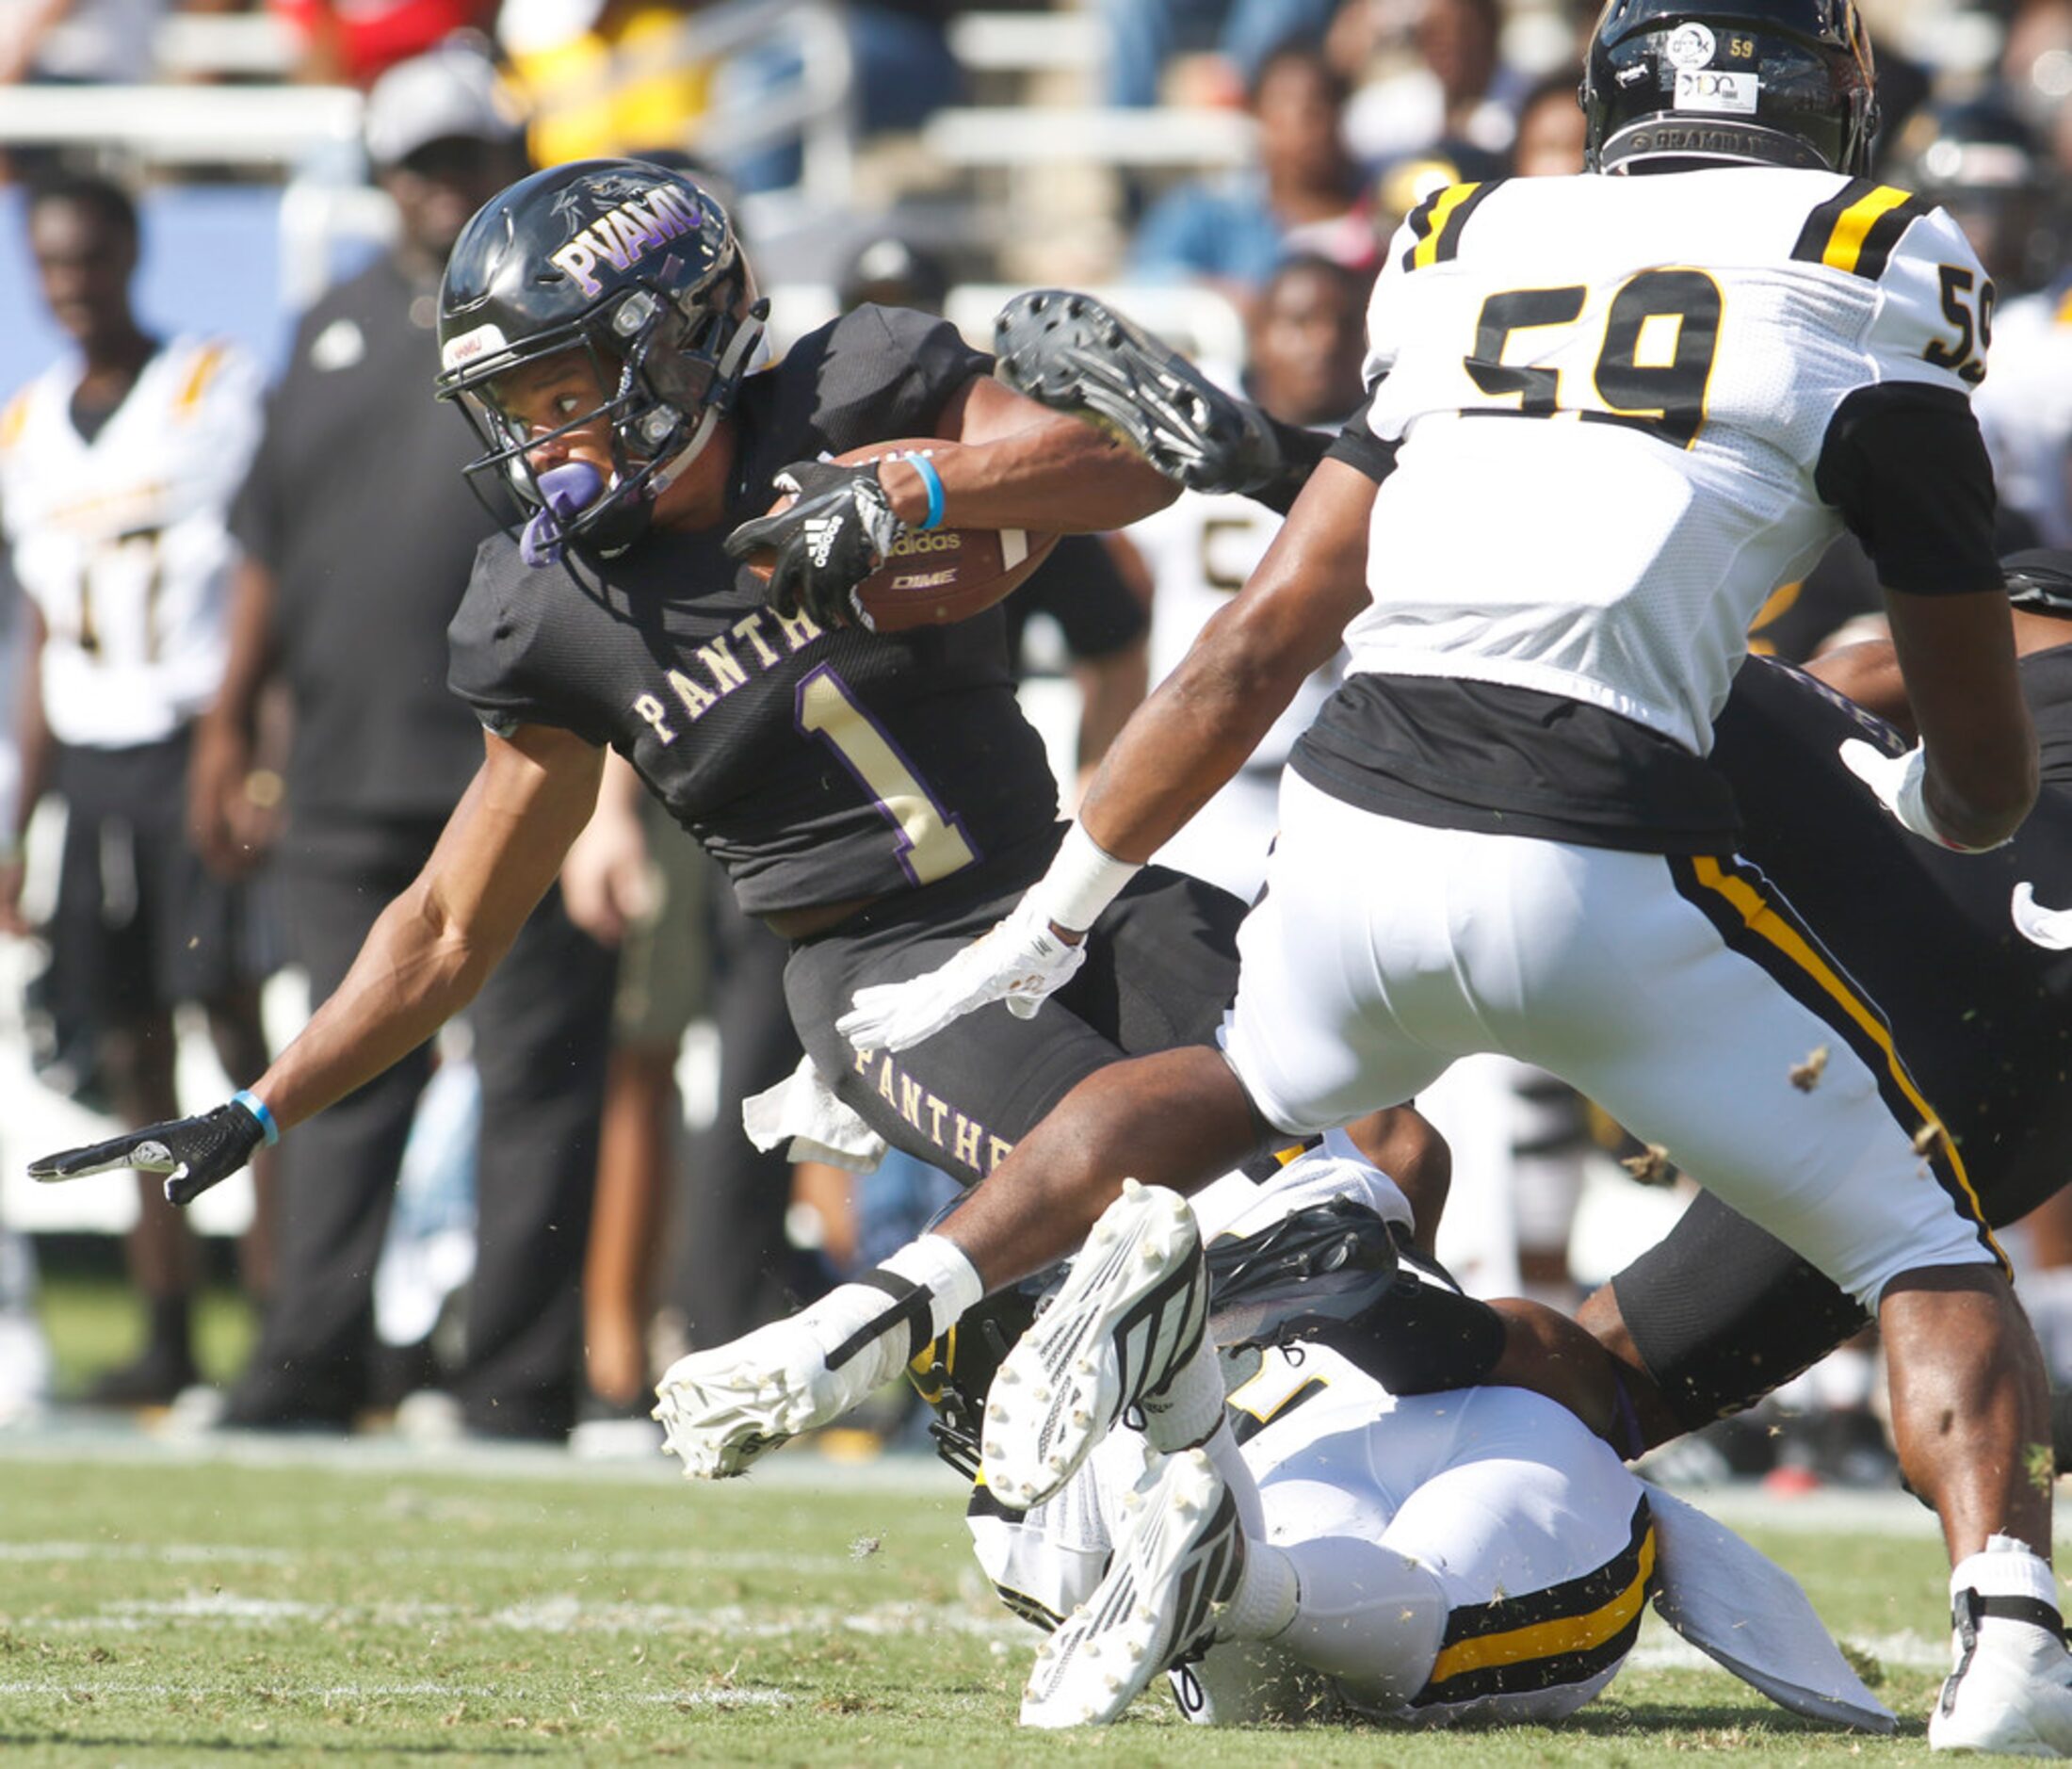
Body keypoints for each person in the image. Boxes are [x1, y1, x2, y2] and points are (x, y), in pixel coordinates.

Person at [646, 0, 2072, 1747]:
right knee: (1921, 1248)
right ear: (1825, 96)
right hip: (1641, 864)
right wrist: (1938, 792)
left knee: (1242, 1089)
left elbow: (1254, 650)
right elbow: (1966, 753)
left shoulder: (1466, 227)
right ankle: (2006, 1623)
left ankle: (904, 1296)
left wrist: (1047, 918)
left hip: (1366, 808)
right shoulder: (1871, 252)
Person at [25, 155, 1354, 1443]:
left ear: (671, 345)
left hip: (1064, 888)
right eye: (513, 410)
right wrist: (258, 1106)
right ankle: (1059, 1437)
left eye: (559, 393)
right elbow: (446, 925)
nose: (540, 444)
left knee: (1385, 1151)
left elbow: (1130, 466)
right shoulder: (548, 612)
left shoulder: (855, 387)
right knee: (1167, 1193)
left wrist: (909, 487)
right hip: (887, 974)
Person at [182, 44, 618, 1440]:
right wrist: (226, 724)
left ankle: (515, 1382)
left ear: (515, 158)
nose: (441, 188)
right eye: (418, 164)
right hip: (339, 771)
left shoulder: (565, 332)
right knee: (339, 1067)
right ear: (383, 176)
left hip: (519, 761)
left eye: (467, 161)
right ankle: (306, 1360)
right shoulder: (322, 328)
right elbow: (264, 547)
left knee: (536, 1082)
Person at [933, 1144, 1892, 1733]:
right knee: (1358, 1609)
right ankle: (1208, 1485)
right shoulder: (1318, 1144)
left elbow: (1065, 1582)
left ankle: (1190, 1438)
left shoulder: (1023, 1444)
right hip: (1466, 1410)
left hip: (1287, 1454)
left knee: (1253, 1656)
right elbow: (1408, 1145)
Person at [0, 173, 274, 1406]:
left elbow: (267, 583)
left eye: (91, 261)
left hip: (192, 745)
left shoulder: (211, 387)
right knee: (126, 1048)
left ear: (130, 252)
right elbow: (48, 637)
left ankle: (284, 1319)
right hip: (95, 764)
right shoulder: (27, 426)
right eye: (52, 265)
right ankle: (168, 1329)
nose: (72, 287)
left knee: (237, 1036)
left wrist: (254, 747)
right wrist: (19, 819)